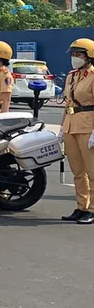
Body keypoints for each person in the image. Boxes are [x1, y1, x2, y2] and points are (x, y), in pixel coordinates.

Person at [60, 38, 94, 224]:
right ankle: (82, 206)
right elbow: (68, 103)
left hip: (88, 125)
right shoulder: (71, 76)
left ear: (89, 56)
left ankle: (93, 208)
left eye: (79, 54)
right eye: (73, 54)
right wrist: (62, 126)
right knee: (78, 171)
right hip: (71, 124)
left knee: (92, 170)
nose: (75, 58)